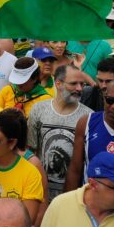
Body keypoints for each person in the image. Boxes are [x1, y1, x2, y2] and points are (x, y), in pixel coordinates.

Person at [27, 64, 92, 199]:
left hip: (73, 195)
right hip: (40, 191)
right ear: (58, 83)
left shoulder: (89, 116)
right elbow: (30, 150)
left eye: (82, 84)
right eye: (73, 84)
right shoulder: (38, 109)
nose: (79, 88)